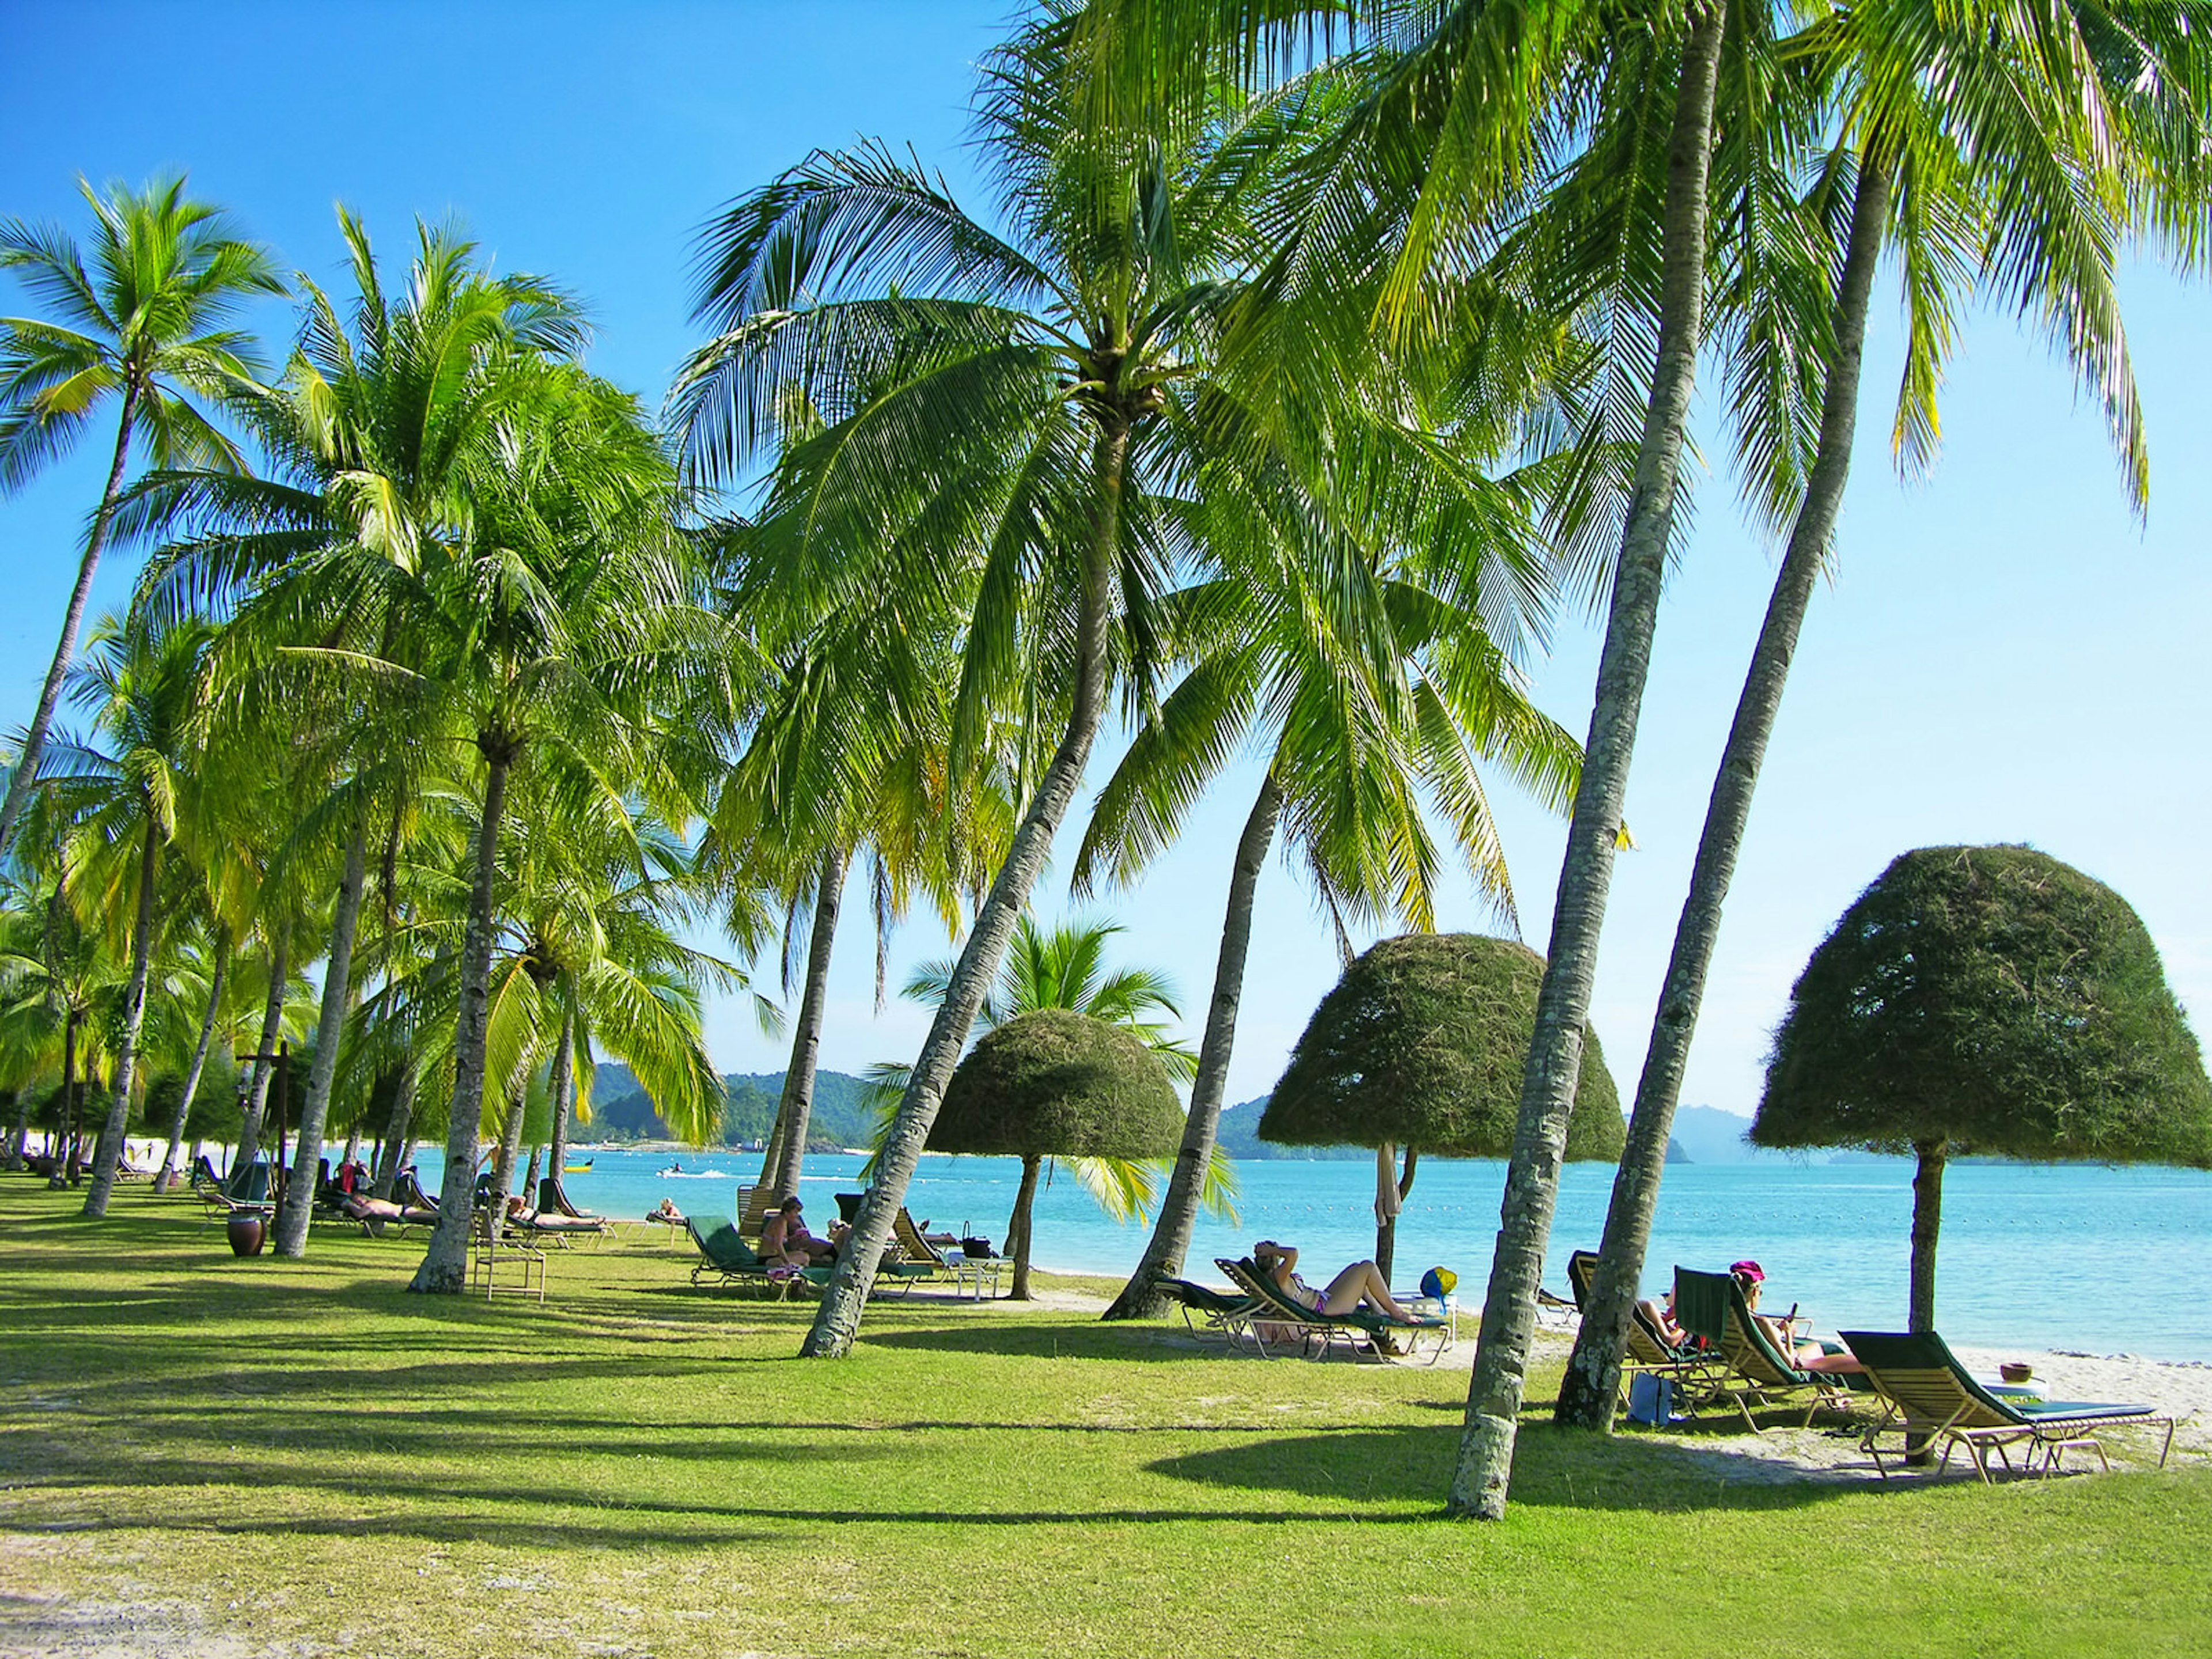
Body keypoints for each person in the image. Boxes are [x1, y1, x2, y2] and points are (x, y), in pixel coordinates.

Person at [1729, 1260, 1862, 1375]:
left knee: (1821, 1348)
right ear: (1754, 1292)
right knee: (1853, 1359)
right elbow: (1789, 1363)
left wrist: (1778, 1331)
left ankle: (1836, 1396)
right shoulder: (1762, 1322)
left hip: (1750, 1364)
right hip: (1794, 1366)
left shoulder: (1729, 1318)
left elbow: (1762, 1337)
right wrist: (1788, 1334)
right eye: (1760, 1293)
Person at [1253, 1239, 1426, 1322]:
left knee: (1355, 1269)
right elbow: (1293, 1253)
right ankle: (1396, 1312)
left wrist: (1271, 1251)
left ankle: (1378, 1309)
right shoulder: (1279, 1276)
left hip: (1325, 1299)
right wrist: (1272, 1250)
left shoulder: (1275, 1277)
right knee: (1367, 1267)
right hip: (1327, 1309)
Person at [762, 1196, 843, 1266]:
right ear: (787, 1212)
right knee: (805, 1258)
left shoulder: (783, 1221)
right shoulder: (780, 1222)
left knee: (803, 1255)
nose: (797, 1215)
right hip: (768, 1259)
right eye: (795, 1212)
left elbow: (781, 1240)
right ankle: (825, 1260)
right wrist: (787, 1263)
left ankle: (824, 1260)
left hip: (774, 1257)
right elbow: (778, 1245)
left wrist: (795, 1237)